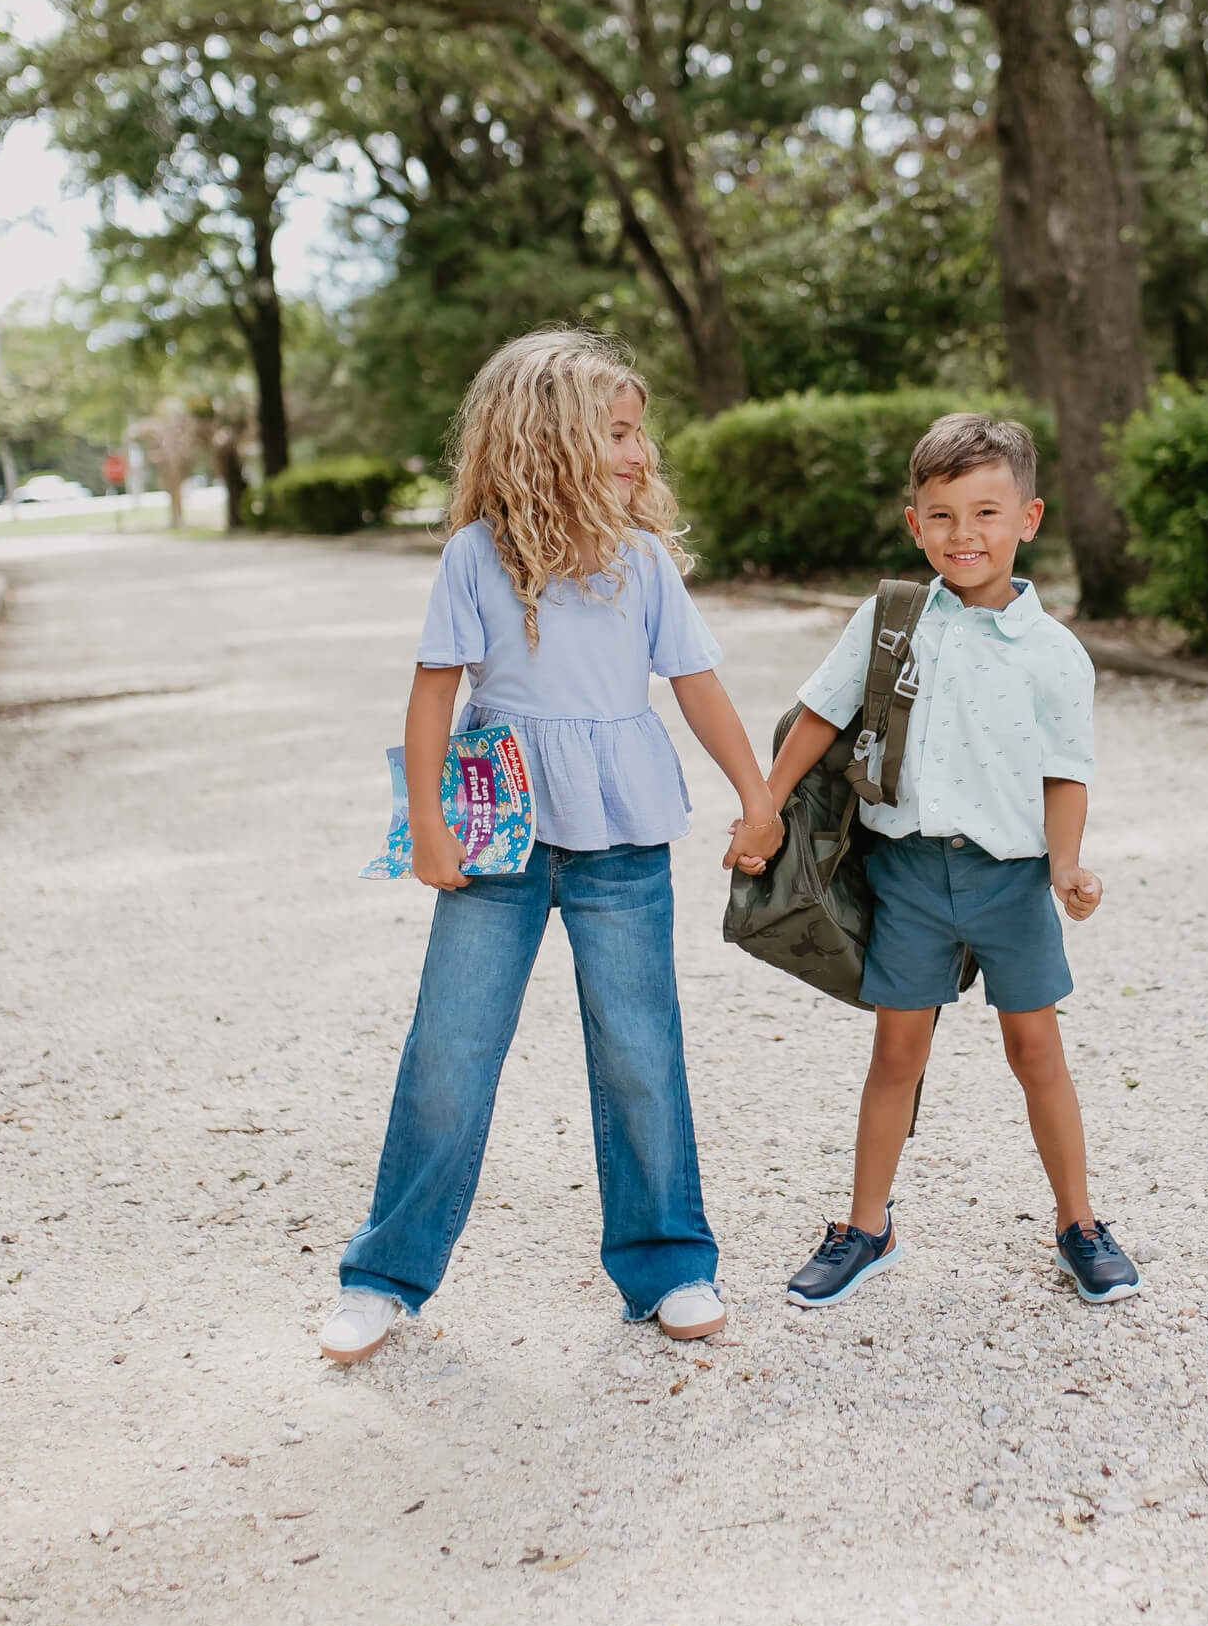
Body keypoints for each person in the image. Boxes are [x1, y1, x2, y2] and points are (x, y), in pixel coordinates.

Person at [321, 328, 783, 1364]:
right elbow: (434, 687)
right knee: (449, 1051)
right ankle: (384, 1278)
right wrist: (429, 828)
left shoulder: (645, 564)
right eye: (615, 434)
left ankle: (668, 1265)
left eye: (636, 435)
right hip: (501, 840)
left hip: (622, 836)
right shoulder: (476, 557)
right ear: (549, 441)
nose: (636, 454)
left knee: (639, 1051)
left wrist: (754, 794)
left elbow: (697, 686)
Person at [727, 413, 1141, 1311]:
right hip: (908, 875)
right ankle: (866, 1227)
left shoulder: (1055, 655)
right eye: (942, 516)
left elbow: (1066, 773)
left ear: (1028, 519)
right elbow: (821, 720)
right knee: (895, 1054)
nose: (965, 536)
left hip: (1010, 883)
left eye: (986, 513)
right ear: (914, 523)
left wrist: (1067, 866)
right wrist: (763, 810)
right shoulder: (891, 620)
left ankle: (1079, 1223)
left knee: (1037, 1052)